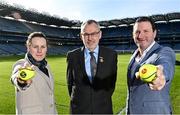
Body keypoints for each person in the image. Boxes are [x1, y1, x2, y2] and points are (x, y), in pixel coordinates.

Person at [66, 19, 117, 114]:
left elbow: (111, 85)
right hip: (79, 111)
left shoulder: (111, 55)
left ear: (100, 34)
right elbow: (70, 84)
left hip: (103, 110)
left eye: (93, 33)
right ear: (81, 36)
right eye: (86, 34)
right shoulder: (72, 56)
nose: (90, 38)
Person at [126, 17, 176, 114]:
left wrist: (161, 75)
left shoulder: (164, 51)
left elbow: (165, 63)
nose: (140, 35)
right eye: (137, 32)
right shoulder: (133, 56)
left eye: (146, 31)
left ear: (154, 33)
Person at [11, 32, 58, 114]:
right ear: (28, 47)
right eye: (35, 46)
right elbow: (17, 77)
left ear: (46, 48)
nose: (39, 50)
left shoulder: (46, 66)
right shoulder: (21, 64)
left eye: (43, 46)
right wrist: (22, 80)